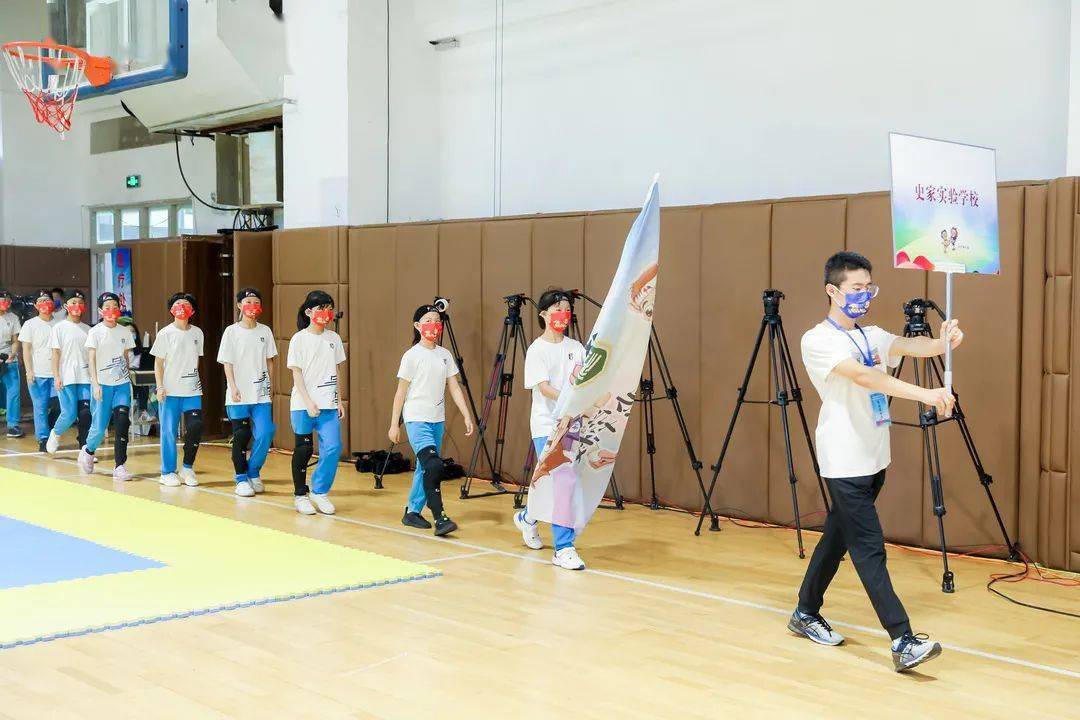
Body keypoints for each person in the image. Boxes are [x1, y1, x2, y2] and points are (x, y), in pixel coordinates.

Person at [789, 251, 962, 673]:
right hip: (844, 458)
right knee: (869, 548)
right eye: (855, 289)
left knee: (838, 537)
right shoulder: (818, 340)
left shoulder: (872, 334)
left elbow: (909, 346)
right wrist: (926, 394)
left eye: (869, 288)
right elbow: (867, 377)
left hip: (873, 455)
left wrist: (945, 341)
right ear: (833, 291)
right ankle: (902, 639)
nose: (864, 295)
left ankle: (805, 611)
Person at [512, 289, 588, 569]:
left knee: (557, 484)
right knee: (563, 481)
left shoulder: (577, 348)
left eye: (566, 309)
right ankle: (563, 548)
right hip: (547, 424)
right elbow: (544, 388)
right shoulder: (537, 350)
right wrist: (570, 399)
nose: (562, 314)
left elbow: (584, 383)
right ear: (543, 314)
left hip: (573, 424)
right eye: (556, 308)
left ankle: (528, 518)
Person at [388, 304, 475, 537]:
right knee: (434, 464)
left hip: (437, 419)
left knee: (425, 467)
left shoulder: (444, 355)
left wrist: (466, 414)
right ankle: (440, 517)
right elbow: (400, 392)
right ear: (417, 326)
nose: (433, 325)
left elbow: (454, 387)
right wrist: (394, 423)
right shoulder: (412, 356)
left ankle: (412, 512)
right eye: (427, 320)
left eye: (436, 320)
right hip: (417, 418)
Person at [287, 290, 345, 515]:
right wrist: (308, 401)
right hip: (303, 404)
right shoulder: (299, 339)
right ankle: (300, 495)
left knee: (333, 447)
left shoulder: (334, 339)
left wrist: (339, 399)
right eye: (321, 308)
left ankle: (319, 491)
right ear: (309, 311)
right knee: (303, 448)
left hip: (329, 405)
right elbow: (296, 374)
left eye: (329, 308)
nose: (326, 312)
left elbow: (337, 370)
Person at [217, 287, 276, 497]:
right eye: (248, 301)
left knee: (266, 432)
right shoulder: (231, 332)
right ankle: (241, 478)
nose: (252, 306)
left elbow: (270, 361)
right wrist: (232, 386)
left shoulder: (265, 331)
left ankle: (253, 471)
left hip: (261, 394)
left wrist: (270, 384)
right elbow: (227, 363)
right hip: (239, 394)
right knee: (242, 435)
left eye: (256, 302)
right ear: (240, 305)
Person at [78, 293, 134, 480]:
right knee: (99, 427)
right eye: (107, 307)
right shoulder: (95, 332)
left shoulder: (125, 331)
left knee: (122, 421)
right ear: (101, 311)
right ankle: (89, 449)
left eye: (114, 306)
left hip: (122, 384)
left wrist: (128, 375)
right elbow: (91, 359)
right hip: (102, 384)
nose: (111, 310)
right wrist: (95, 384)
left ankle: (120, 466)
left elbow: (126, 357)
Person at [151, 292, 204, 487]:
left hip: (192, 390)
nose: (182, 306)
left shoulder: (198, 333)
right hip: (170, 391)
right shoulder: (165, 333)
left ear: (193, 310)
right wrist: (159, 386)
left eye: (186, 303)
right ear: (171, 309)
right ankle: (167, 472)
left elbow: (196, 360)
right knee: (169, 431)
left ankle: (188, 467)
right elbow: (158, 363)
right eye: (178, 303)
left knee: (196, 426)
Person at [44, 291, 92, 453]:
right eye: (73, 302)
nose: (76, 306)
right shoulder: (59, 328)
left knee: (86, 414)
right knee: (69, 414)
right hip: (67, 377)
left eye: (80, 302)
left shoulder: (88, 329)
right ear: (66, 306)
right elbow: (55, 354)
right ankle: (55, 434)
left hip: (86, 377)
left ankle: (86, 449)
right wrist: (56, 376)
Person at [20, 290, 61, 451]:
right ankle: (43, 439)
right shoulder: (30, 324)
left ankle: (51, 430)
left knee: (61, 406)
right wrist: (29, 371)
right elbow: (26, 350)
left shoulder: (60, 323)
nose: (45, 304)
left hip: (57, 373)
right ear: (36, 305)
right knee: (40, 407)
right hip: (38, 373)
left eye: (48, 300)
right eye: (41, 301)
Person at [0, 290, 24, 438]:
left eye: (7, 299)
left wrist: (12, 354)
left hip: (9, 358)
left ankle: (13, 425)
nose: (5, 302)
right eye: (2, 299)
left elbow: (16, 341)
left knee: (14, 392)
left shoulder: (13, 318)